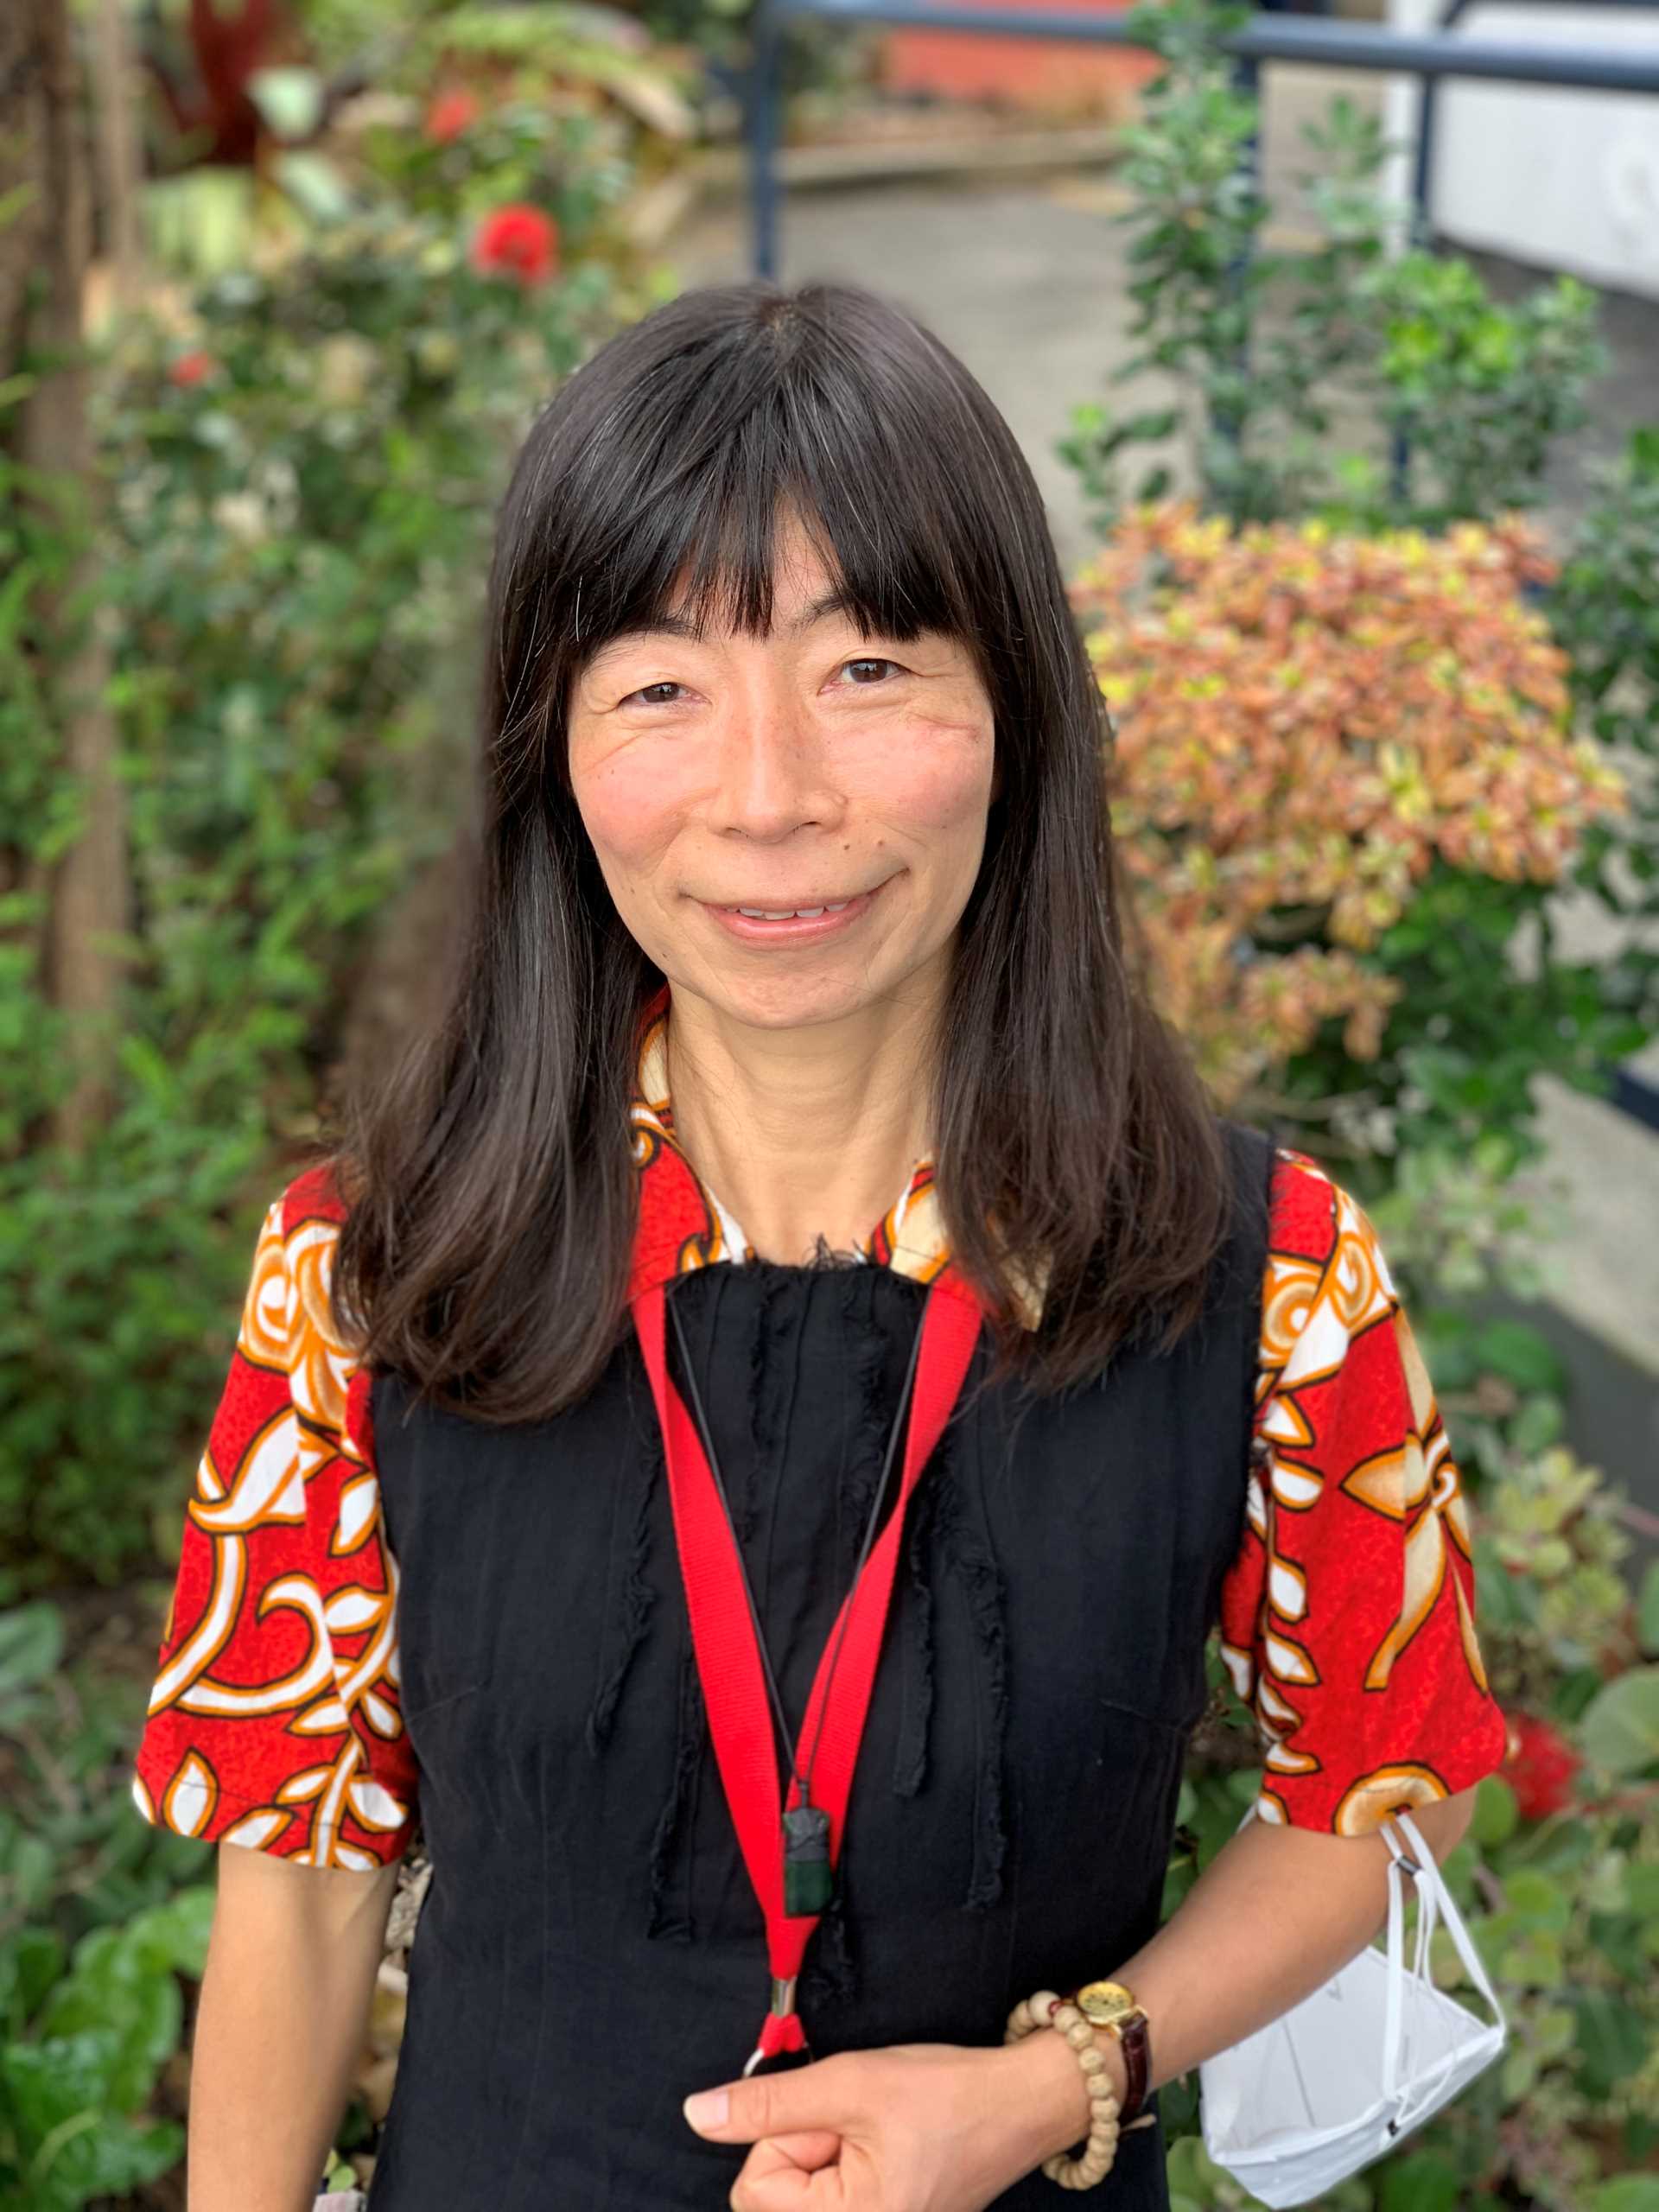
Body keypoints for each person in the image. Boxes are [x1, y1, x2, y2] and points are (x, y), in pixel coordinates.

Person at [131, 279, 1510, 2212]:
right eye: (659, 687)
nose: (770, 797)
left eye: (867, 667)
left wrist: (1049, 2083)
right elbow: (294, 1882)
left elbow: (1377, 1790)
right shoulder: (367, 1277)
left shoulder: (1266, 1274)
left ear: (1017, 712)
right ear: (552, 754)